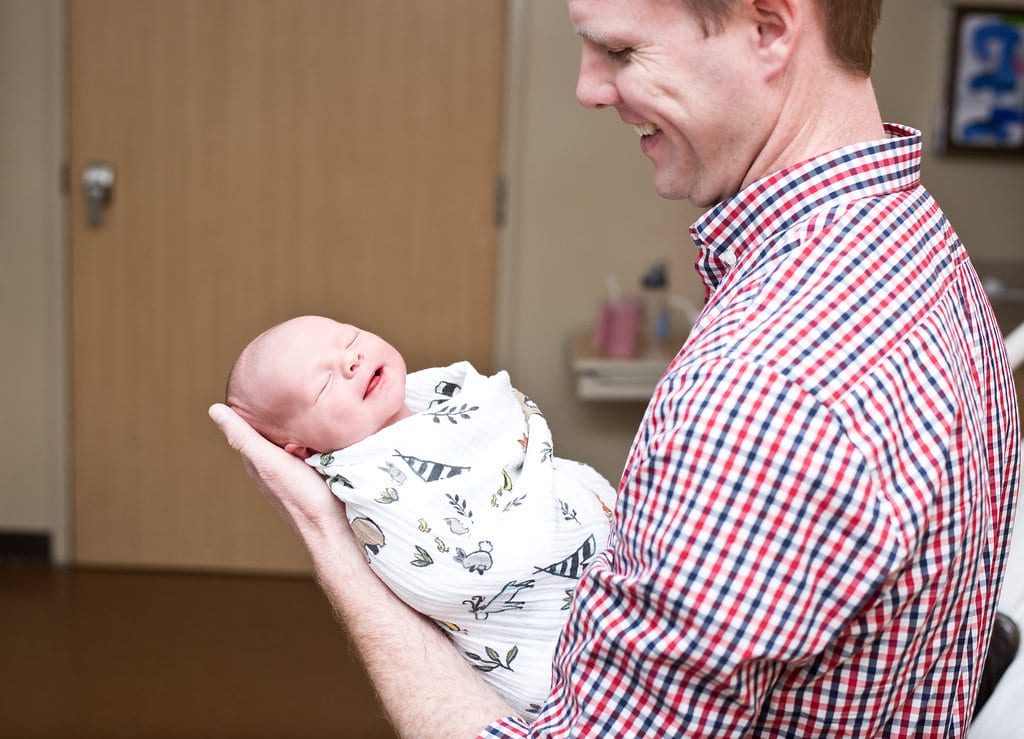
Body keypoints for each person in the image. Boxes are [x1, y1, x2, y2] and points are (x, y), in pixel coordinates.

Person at [209, 0, 1021, 736]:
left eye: (622, 50)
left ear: (770, 27)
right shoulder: (925, 252)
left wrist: (336, 551)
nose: (589, 89)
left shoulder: (765, 388)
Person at [225, 315, 616, 717]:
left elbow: (511, 426)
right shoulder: (369, 485)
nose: (351, 361)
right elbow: (450, 577)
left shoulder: (447, 393)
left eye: (350, 339)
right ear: (303, 451)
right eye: (324, 384)